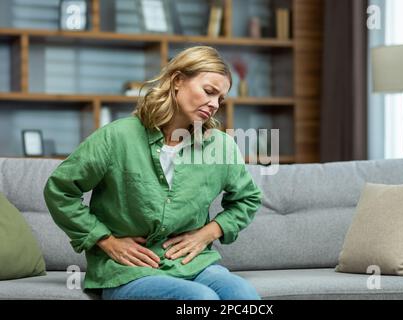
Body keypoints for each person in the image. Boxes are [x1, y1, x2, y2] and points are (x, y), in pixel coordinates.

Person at [43, 46, 263, 300]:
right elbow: (60, 190)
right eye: (209, 91)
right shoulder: (117, 136)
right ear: (178, 81)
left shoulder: (221, 146)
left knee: (243, 295)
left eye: (220, 99)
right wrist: (105, 240)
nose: (214, 104)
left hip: (194, 265)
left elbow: (248, 199)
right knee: (200, 300)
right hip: (129, 271)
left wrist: (208, 233)